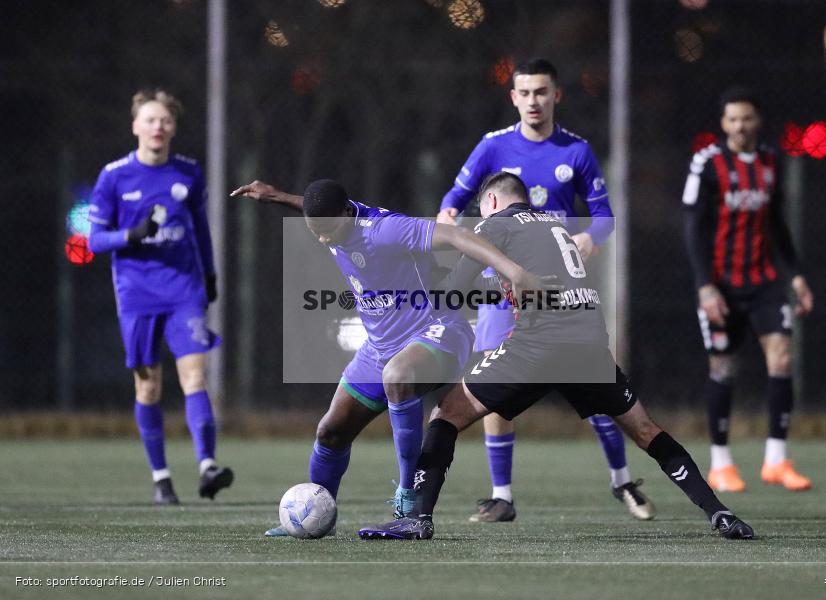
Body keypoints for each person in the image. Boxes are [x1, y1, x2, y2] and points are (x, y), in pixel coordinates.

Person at [358, 172, 753, 540]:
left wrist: (413, 282)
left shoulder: (495, 224)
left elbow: (456, 288)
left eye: (482, 209)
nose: (481, 218)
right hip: (589, 345)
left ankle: (418, 517)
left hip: (539, 346)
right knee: (646, 430)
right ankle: (719, 512)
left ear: (491, 200)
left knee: (445, 415)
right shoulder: (554, 224)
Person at [230, 178, 549, 536]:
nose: (322, 239)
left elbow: (458, 237)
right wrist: (276, 196)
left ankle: (408, 496)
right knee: (331, 432)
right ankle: (316, 513)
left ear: (347, 214)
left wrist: (514, 272)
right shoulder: (333, 219)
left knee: (398, 376)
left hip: (437, 332)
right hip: (379, 347)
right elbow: (316, 210)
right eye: (314, 231)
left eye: (327, 231)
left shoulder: (387, 229)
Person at [436, 58, 654, 522]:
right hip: (502, 288)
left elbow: (604, 215)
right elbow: (451, 204)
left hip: (557, 287)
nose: (534, 100)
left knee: (594, 384)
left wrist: (589, 237)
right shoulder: (493, 147)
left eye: (542, 92)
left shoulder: (575, 151)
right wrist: (450, 220)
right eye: (525, 93)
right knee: (490, 384)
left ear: (557, 95)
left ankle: (622, 481)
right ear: (513, 97)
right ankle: (503, 496)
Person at [87, 89, 232, 505]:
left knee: (195, 376)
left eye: (165, 120)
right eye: (150, 120)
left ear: (173, 127)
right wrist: (129, 236)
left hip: (184, 288)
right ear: (135, 126)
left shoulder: (188, 172)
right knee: (148, 388)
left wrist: (209, 274)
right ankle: (162, 478)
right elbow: (93, 240)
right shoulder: (114, 176)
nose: (158, 127)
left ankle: (207, 466)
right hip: (136, 293)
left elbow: (201, 229)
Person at [681, 86, 814, 493]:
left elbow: (776, 223)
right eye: (732, 119)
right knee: (723, 367)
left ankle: (776, 460)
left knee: (781, 357)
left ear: (758, 121)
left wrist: (794, 274)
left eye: (747, 118)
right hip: (721, 286)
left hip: (764, 282)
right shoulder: (707, 163)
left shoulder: (772, 161)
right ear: (723, 124)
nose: (740, 126)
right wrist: (705, 286)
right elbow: (693, 228)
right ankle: (721, 462)